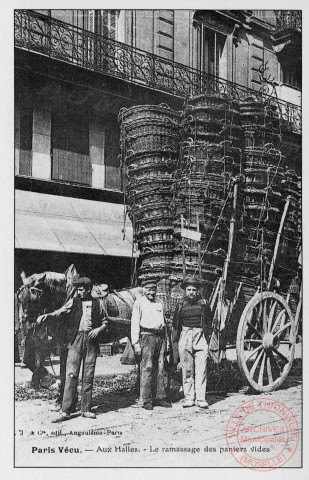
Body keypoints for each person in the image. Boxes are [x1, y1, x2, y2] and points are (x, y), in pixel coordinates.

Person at [37, 277, 108, 422]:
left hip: (91, 342)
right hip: (75, 341)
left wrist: (98, 330)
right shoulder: (74, 301)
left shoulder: (97, 303)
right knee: (71, 374)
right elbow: (60, 311)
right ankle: (66, 410)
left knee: (88, 375)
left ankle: (86, 409)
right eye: (77, 289)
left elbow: (105, 321)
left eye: (81, 290)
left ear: (88, 290)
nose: (79, 292)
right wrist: (47, 316)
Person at [131, 279, 171, 410]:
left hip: (160, 337)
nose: (151, 292)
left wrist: (167, 341)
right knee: (147, 368)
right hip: (146, 337)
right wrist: (136, 343)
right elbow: (135, 324)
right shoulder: (139, 303)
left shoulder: (159, 302)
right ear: (143, 290)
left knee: (160, 368)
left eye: (154, 289)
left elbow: (164, 322)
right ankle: (146, 399)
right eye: (148, 289)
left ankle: (159, 397)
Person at [173, 276, 212, 409]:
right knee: (187, 369)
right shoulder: (180, 305)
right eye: (188, 289)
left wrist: (206, 338)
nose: (191, 292)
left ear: (197, 291)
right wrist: (177, 341)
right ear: (185, 291)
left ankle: (201, 399)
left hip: (200, 335)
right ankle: (189, 398)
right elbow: (175, 325)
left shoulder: (204, 304)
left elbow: (209, 321)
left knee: (201, 368)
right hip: (185, 335)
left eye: (193, 290)